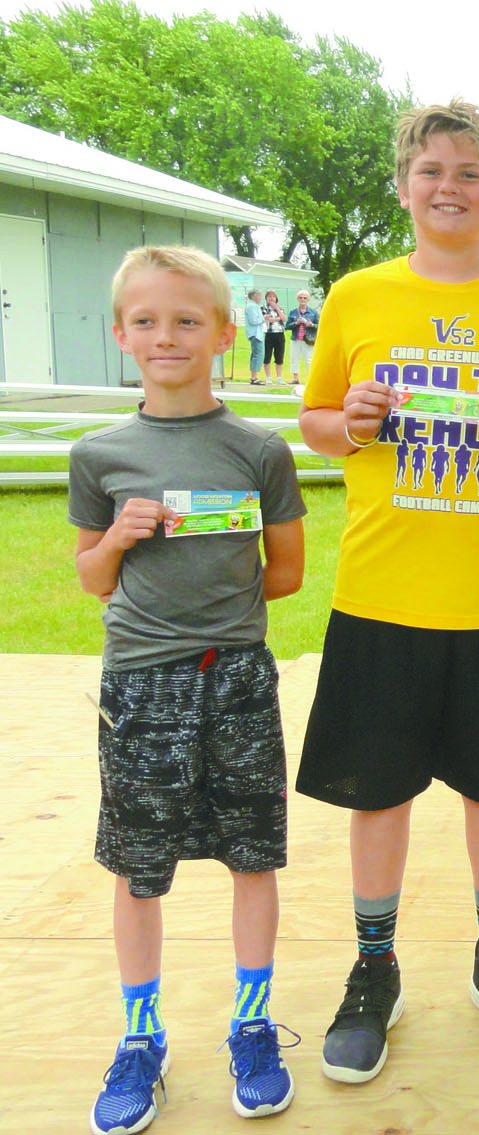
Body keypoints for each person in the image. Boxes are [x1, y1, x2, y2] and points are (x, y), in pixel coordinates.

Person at [295, 98, 479, 1083]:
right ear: (403, 186)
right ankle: (374, 968)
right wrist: (356, 419)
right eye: (431, 169)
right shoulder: (356, 296)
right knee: (375, 794)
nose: (449, 187)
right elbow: (316, 421)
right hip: (381, 594)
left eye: (470, 172)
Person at [68, 245, 307, 1133]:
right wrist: (121, 538)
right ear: (122, 333)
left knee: (255, 853)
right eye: (147, 321)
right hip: (139, 686)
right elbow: (92, 580)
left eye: (186, 320)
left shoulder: (258, 448)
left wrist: (219, 579)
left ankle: (251, 1029)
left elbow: (284, 574)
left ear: (223, 331)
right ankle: (141, 1040)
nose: (166, 336)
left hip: (238, 677)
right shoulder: (100, 454)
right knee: (140, 871)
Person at [285, 290, 319, 384]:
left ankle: (311, 379)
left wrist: (311, 325)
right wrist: (296, 323)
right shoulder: (293, 312)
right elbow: (287, 326)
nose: (302, 299)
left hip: (308, 339)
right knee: (294, 358)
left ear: (308, 299)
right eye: (300, 297)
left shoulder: (313, 313)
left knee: (309, 359)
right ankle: (295, 378)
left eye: (304, 298)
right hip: (296, 339)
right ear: (297, 299)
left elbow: (320, 326)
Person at [261, 290, 286, 383]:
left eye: (273, 296)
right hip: (268, 333)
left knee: (279, 355)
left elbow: (284, 318)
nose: (271, 298)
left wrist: (277, 309)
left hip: (279, 333)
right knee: (267, 355)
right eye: (269, 296)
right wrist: (277, 318)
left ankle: (279, 377)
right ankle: (268, 377)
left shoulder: (280, 308)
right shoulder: (263, 308)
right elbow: (267, 319)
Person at [244, 288, 266, 384]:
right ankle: (254, 377)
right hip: (256, 334)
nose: (260, 297)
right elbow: (253, 321)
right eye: (259, 295)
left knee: (256, 354)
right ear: (254, 296)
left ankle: (254, 376)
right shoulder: (252, 306)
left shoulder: (253, 306)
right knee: (258, 354)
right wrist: (263, 318)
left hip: (257, 333)